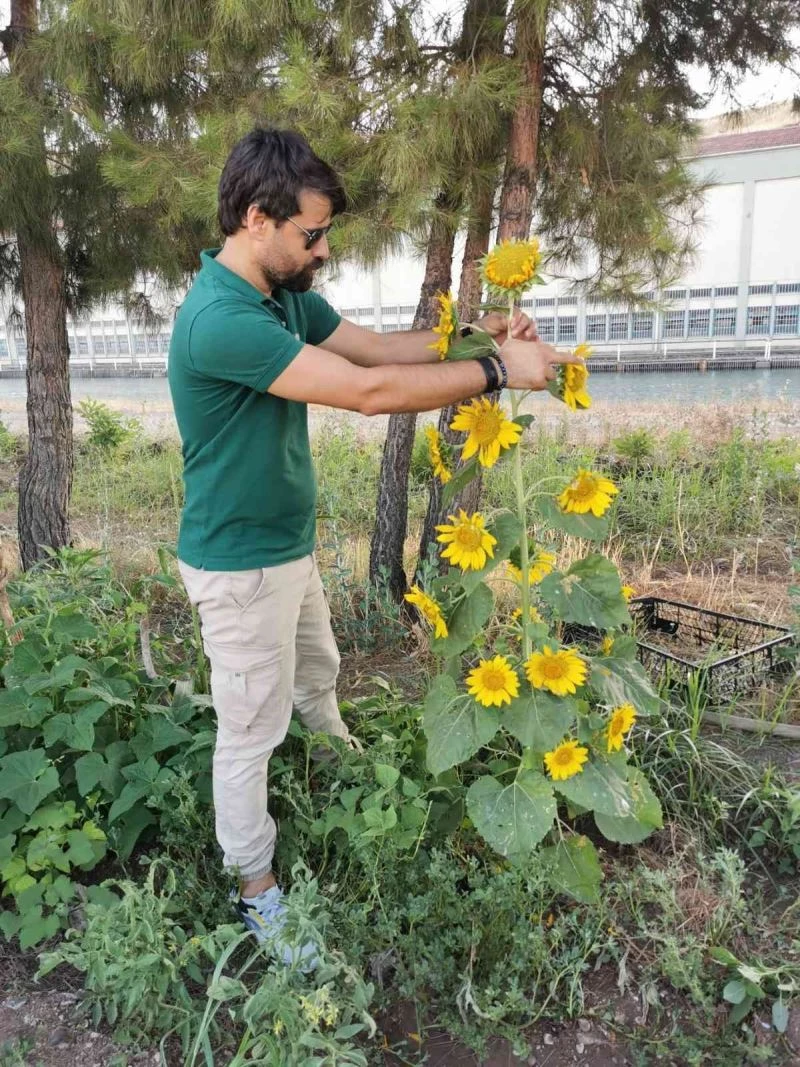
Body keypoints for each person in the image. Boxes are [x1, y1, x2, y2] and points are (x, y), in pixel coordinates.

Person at [168, 127, 581, 964]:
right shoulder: (220, 319)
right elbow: (367, 392)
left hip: (284, 549)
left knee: (318, 679)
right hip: (238, 567)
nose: (324, 250)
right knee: (247, 732)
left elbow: (383, 348)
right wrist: (500, 372)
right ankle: (256, 890)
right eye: (311, 234)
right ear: (258, 219)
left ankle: (339, 774)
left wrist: (479, 334)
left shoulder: (281, 295)